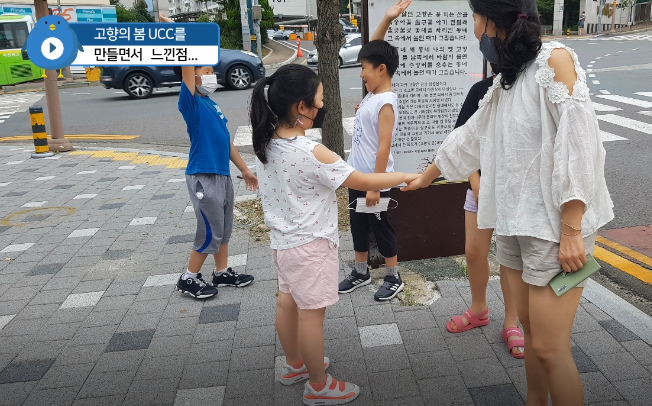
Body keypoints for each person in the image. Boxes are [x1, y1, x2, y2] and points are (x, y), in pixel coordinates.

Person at [402, 1, 613, 404]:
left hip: (556, 230)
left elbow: (580, 145)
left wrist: (572, 229)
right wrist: (426, 177)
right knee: (532, 335)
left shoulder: (555, 59)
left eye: (475, 19)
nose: (474, 29)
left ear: (493, 21)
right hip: (516, 223)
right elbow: (471, 135)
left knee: (550, 347)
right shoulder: (509, 78)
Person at [250, 64, 417, 405]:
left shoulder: (265, 142)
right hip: (311, 246)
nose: (322, 105)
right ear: (301, 106)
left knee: (287, 303)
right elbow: (363, 180)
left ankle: (295, 365)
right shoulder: (311, 152)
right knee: (312, 316)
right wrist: (403, 176)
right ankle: (318, 385)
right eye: (320, 99)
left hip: (284, 244)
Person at [159, 14, 259, 300]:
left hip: (222, 174)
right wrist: (180, 34)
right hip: (203, 174)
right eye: (206, 69)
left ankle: (221, 272)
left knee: (223, 228)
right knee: (209, 228)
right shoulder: (190, 102)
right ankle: (188, 278)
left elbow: (226, 142)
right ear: (192, 75)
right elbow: (186, 65)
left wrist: (244, 169)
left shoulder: (211, 104)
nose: (212, 73)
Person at [447, 64, 524, 359]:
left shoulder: (525, 90)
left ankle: (512, 322)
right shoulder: (480, 90)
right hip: (480, 188)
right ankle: (479, 309)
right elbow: (462, 140)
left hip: (514, 190)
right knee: (474, 251)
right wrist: (476, 184)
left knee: (510, 258)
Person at [338, 0, 412, 301]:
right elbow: (373, 50)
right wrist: (387, 19)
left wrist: (376, 185)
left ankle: (394, 277)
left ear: (381, 70)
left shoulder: (386, 101)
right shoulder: (372, 94)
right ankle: (361, 271)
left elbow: (384, 146)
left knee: (380, 227)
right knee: (358, 226)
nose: (361, 74)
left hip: (374, 179)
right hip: (358, 176)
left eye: (364, 69)